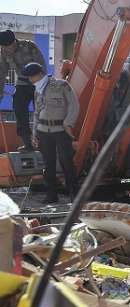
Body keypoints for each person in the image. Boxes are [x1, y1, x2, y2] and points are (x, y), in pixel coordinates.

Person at [23, 62, 79, 204]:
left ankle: (75, 195)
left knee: (66, 162)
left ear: (40, 74)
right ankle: (51, 195)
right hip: (43, 131)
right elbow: (36, 113)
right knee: (48, 164)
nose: (30, 80)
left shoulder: (61, 85)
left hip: (60, 130)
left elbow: (74, 105)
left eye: (32, 76)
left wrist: (68, 123)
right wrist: (34, 133)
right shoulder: (37, 90)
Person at [0, 30, 46, 151]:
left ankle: (42, 144)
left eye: (9, 46)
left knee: (40, 114)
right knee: (19, 109)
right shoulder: (3, 52)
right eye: (4, 47)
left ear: (14, 42)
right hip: (21, 83)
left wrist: (41, 86)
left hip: (37, 83)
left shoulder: (29, 46)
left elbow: (42, 66)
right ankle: (28, 143)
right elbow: (1, 73)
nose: (8, 49)